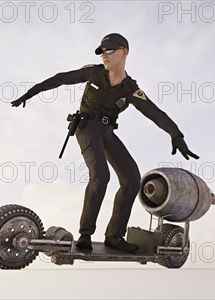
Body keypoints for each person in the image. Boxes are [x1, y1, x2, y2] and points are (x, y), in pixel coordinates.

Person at [11, 33, 199, 254]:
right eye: (102, 51)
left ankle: (114, 237)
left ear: (124, 52)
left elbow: (155, 113)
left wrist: (176, 135)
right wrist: (30, 93)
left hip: (107, 133)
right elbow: (60, 78)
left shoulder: (130, 88)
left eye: (110, 50)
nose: (104, 55)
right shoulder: (93, 72)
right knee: (101, 176)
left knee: (131, 180)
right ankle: (85, 235)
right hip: (87, 128)